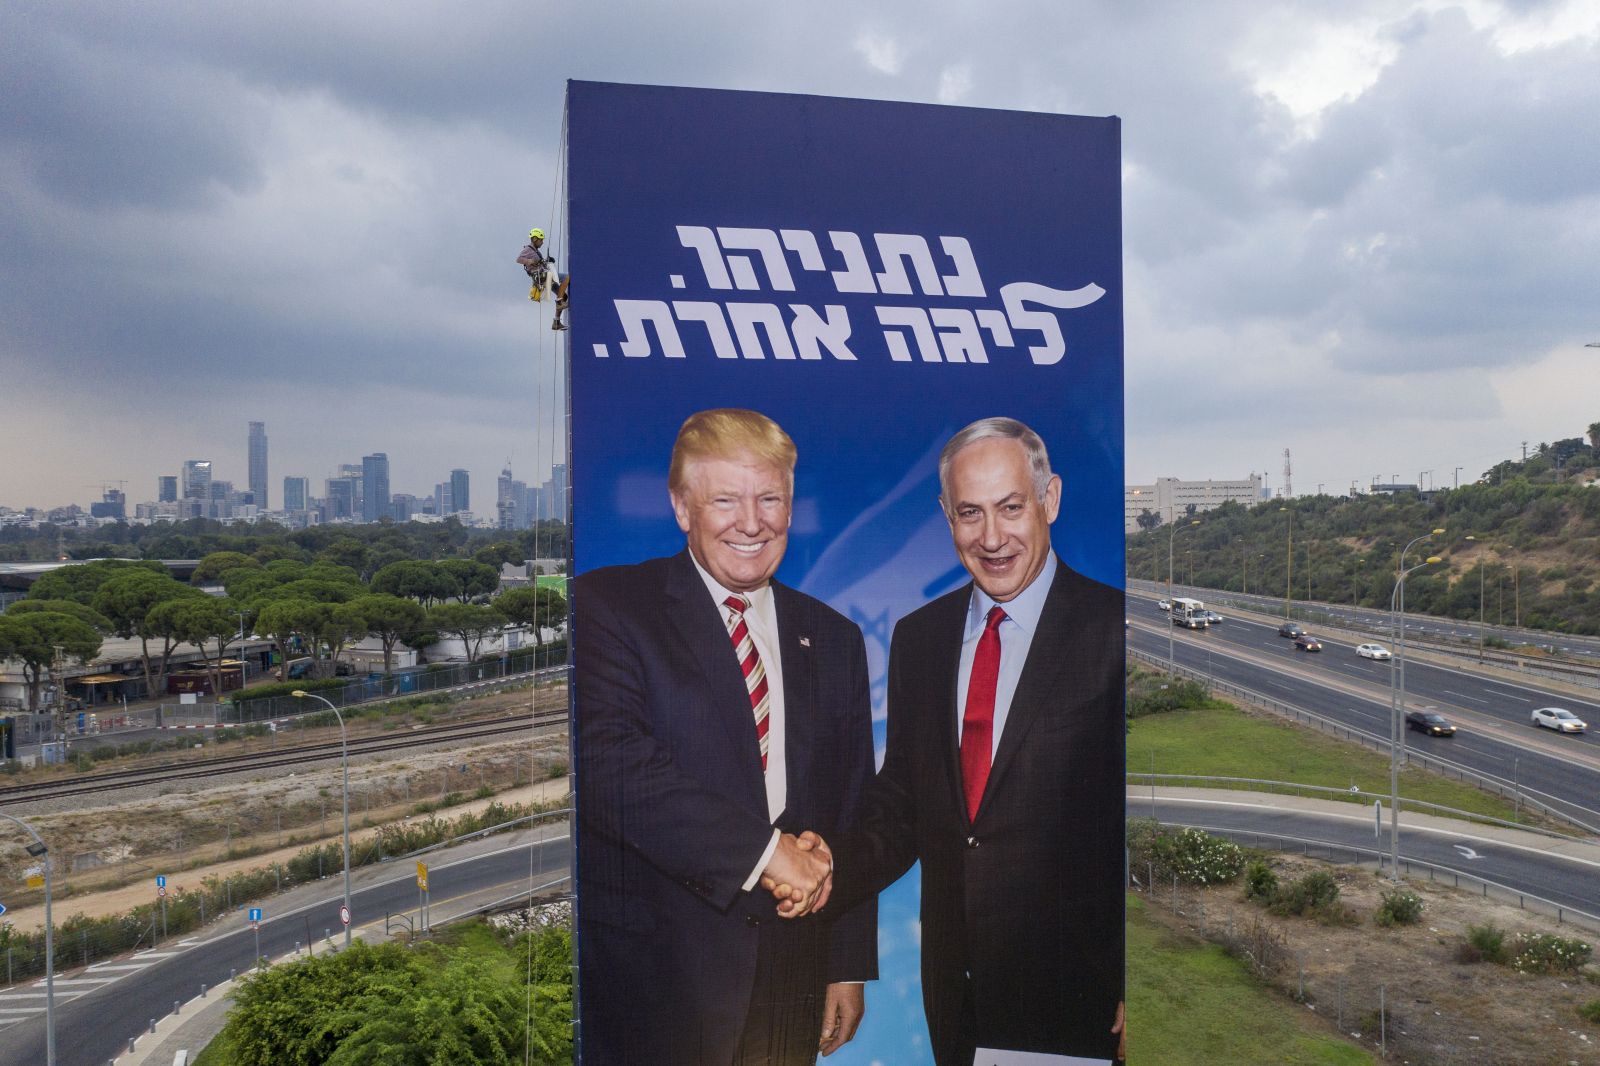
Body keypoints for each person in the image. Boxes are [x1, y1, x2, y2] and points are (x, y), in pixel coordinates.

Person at [782, 416, 1126, 1064]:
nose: (991, 538)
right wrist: (831, 862)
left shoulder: (1115, 631)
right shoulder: (920, 639)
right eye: (970, 513)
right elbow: (904, 808)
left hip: (1083, 1008)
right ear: (946, 515)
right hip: (957, 1003)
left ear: (1050, 498)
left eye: (1011, 508)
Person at [575, 408, 878, 1065]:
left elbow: (852, 808)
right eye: (725, 500)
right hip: (655, 987)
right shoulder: (608, 607)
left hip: (791, 984)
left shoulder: (834, 638)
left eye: (770, 498)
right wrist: (769, 854)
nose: (751, 522)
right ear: (682, 508)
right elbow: (610, 768)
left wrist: (847, 963)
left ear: (791, 507)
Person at [517, 227, 569, 330]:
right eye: (541, 240)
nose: (542, 242)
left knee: (564, 296)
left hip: (544, 276)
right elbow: (519, 259)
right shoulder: (528, 249)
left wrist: (546, 260)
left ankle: (556, 322)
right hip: (542, 276)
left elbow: (539, 263)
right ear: (535, 239)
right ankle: (559, 303)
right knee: (567, 277)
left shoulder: (536, 251)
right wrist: (530, 261)